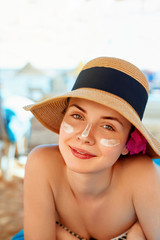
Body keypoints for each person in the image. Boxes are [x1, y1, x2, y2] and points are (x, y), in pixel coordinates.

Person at [12, 57, 160, 240]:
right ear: (63, 117)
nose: (85, 136)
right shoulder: (41, 163)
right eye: (77, 115)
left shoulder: (142, 174)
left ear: (128, 144)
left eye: (108, 126)